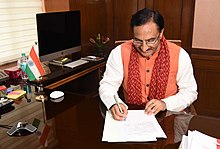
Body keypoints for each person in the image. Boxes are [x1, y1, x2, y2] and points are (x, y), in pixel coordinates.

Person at [99, 8, 197, 121]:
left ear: (161, 33)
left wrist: (165, 103)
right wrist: (113, 104)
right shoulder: (119, 52)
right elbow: (108, 85)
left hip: (169, 117)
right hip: (131, 117)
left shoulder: (180, 55)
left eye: (150, 40)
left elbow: (190, 92)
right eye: (138, 40)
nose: (144, 48)